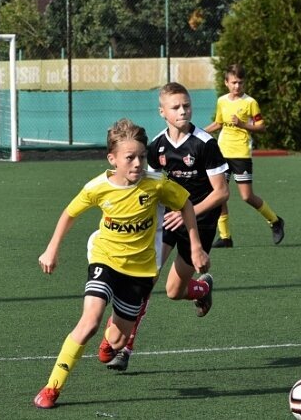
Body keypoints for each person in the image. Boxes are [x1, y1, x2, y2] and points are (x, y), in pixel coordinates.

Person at [33, 118, 210, 409]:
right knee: (89, 322)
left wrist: (196, 246)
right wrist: (51, 249)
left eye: (142, 156)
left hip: (140, 270)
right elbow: (70, 213)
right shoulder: (97, 187)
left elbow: (186, 206)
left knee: (116, 342)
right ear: (112, 159)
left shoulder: (157, 185)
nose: (138, 163)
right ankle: (52, 388)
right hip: (105, 257)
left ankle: (111, 337)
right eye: (130, 157)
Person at [98, 82, 230, 371]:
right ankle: (124, 348)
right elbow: (151, 189)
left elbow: (221, 192)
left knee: (173, 291)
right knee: (147, 280)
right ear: (162, 112)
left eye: (186, 105)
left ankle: (199, 290)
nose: (183, 111)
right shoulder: (156, 146)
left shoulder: (206, 144)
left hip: (199, 222)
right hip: (166, 221)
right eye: (176, 107)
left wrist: (188, 214)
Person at [204, 64, 284, 247]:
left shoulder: (250, 103)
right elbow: (218, 124)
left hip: (241, 154)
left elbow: (261, 127)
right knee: (219, 195)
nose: (237, 86)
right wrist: (199, 132)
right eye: (233, 83)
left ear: (244, 83)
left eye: (240, 83)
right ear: (226, 83)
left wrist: (242, 125)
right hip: (222, 153)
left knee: (247, 196)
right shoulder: (222, 101)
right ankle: (225, 237)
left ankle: (275, 221)